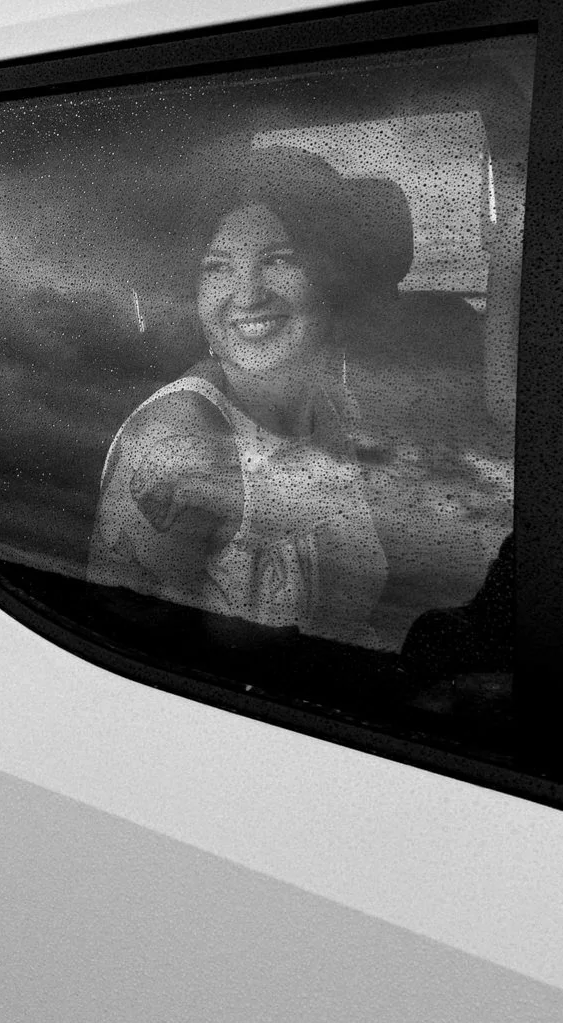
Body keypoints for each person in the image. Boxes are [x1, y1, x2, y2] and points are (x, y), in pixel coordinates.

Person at [88, 145, 411, 648]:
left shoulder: (334, 405)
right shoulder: (179, 441)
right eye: (217, 267)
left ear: (334, 277)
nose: (247, 294)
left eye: (279, 260)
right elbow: (125, 652)